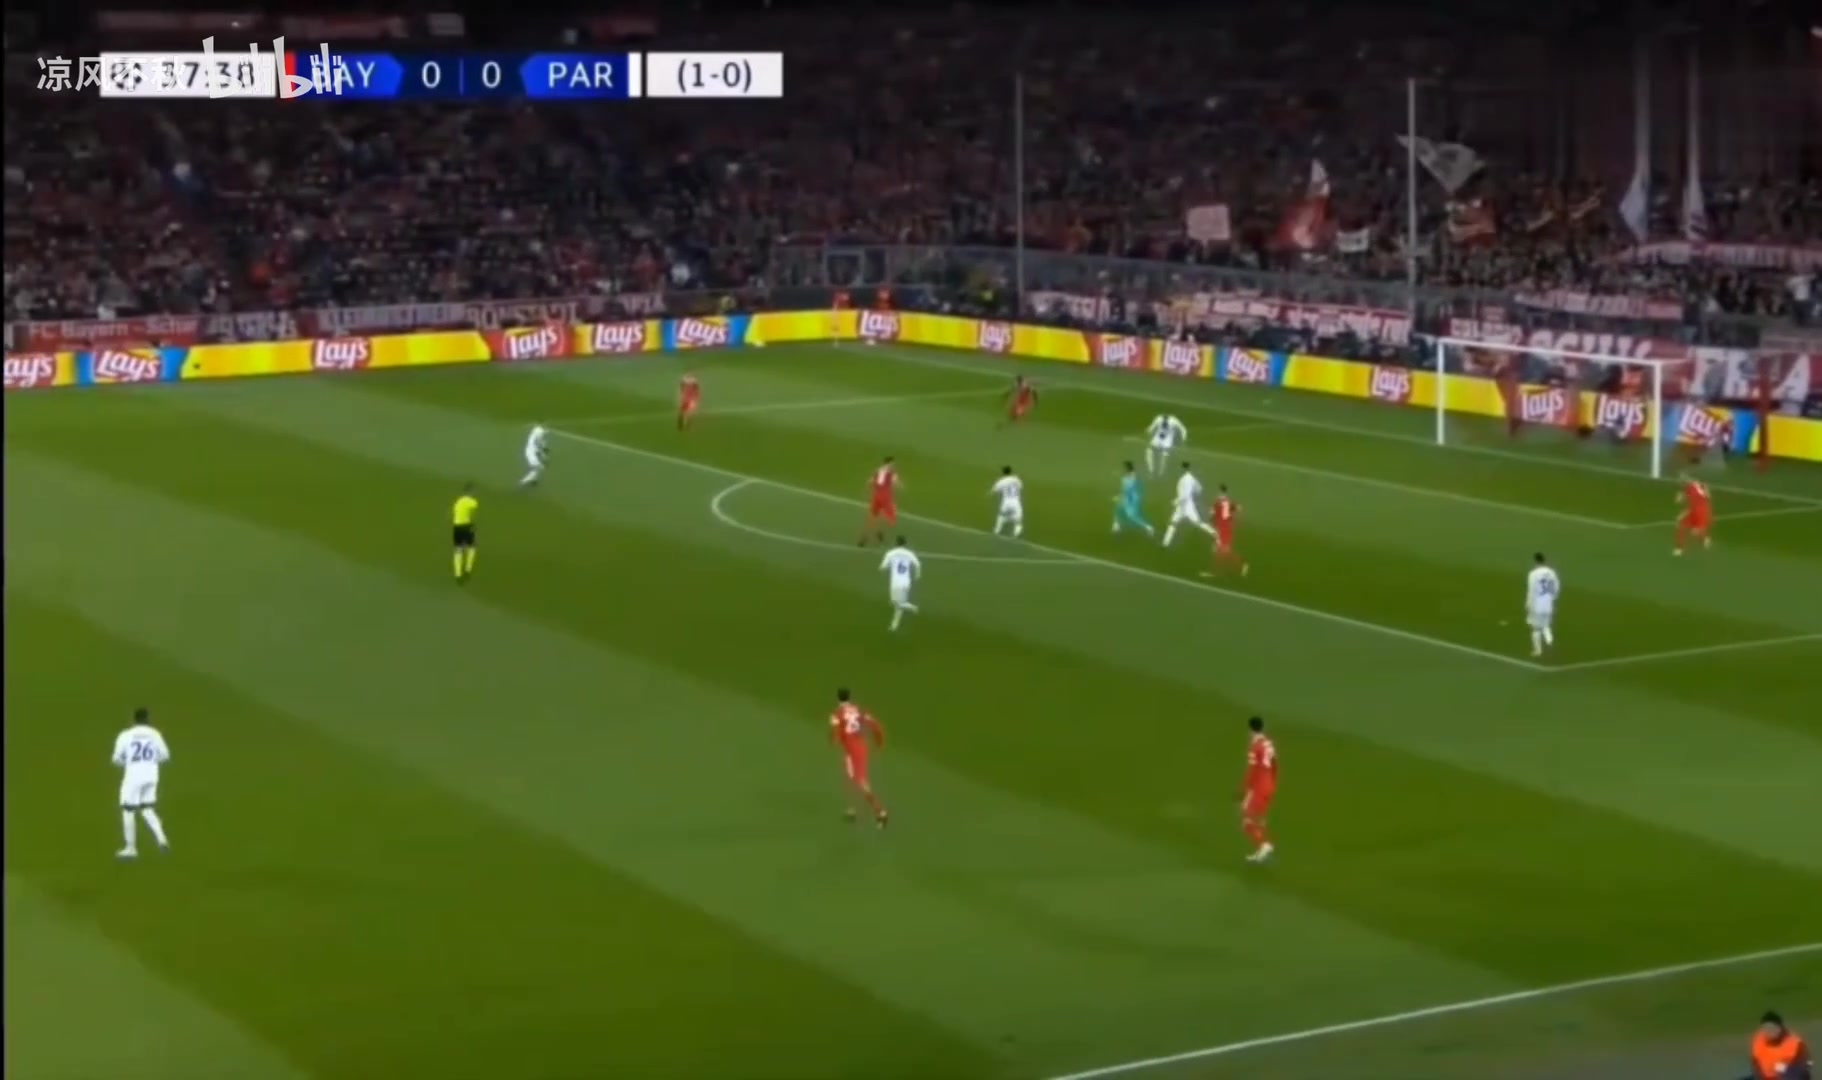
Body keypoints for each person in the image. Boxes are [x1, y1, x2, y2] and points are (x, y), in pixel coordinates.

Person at [112, 707, 172, 859]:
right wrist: (151, 762)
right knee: (147, 809)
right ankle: (162, 839)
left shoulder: (126, 735)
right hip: (152, 775)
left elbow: (116, 759)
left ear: (134, 720)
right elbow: (165, 755)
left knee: (128, 810)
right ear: (148, 719)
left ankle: (131, 848)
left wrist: (128, 762)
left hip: (133, 776)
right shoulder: (155, 734)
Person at [1749, 1011, 1810, 1080]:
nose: (1769, 1031)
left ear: (1780, 1027)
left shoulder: (1795, 1044)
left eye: (1773, 1028)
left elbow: (1806, 1066)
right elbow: (1755, 1062)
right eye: (1766, 1028)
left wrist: (1785, 1072)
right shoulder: (1758, 1040)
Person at [1525, 552, 1560, 657]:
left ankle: (1537, 650)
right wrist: (1552, 597)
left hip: (1537, 604)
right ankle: (1550, 642)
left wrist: (1528, 604)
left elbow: (1531, 591)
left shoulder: (1533, 574)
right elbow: (1556, 586)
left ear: (1535, 561)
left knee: (1536, 628)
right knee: (1546, 625)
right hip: (1548, 603)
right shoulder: (1551, 572)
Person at [1112, 461, 1155, 536]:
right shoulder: (1129, 476)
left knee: (1131, 516)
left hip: (1131, 499)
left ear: (1127, 468)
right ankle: (1116, 524)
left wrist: (1118, 496)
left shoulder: (1130, 478)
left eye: (1124, 468)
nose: (1123, 469)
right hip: (1131, 497)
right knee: (1118, 508)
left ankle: (1149, 527)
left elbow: (1127, 489)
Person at [452, 482, 479, 583]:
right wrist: (474, 526)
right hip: (467, 526)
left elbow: (455, 513)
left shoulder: (458, 501)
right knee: (472, 546)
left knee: (458, 549)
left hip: (457, 526)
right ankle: (468, 569)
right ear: (470, 491)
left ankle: (458, 574)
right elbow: (473, 515)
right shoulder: (472, 502)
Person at [990, 465, 1024, 538]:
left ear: (1003, 473)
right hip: (1016, 501)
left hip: (1006, 502)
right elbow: (1020, 487)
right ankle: (1016, 531)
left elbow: (994, 490)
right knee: (1018, 518)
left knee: (1001, 515)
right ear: (1011, 472)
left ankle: (997, 530)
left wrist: (991, 493)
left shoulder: (1001, 481)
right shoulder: (1016, 479)